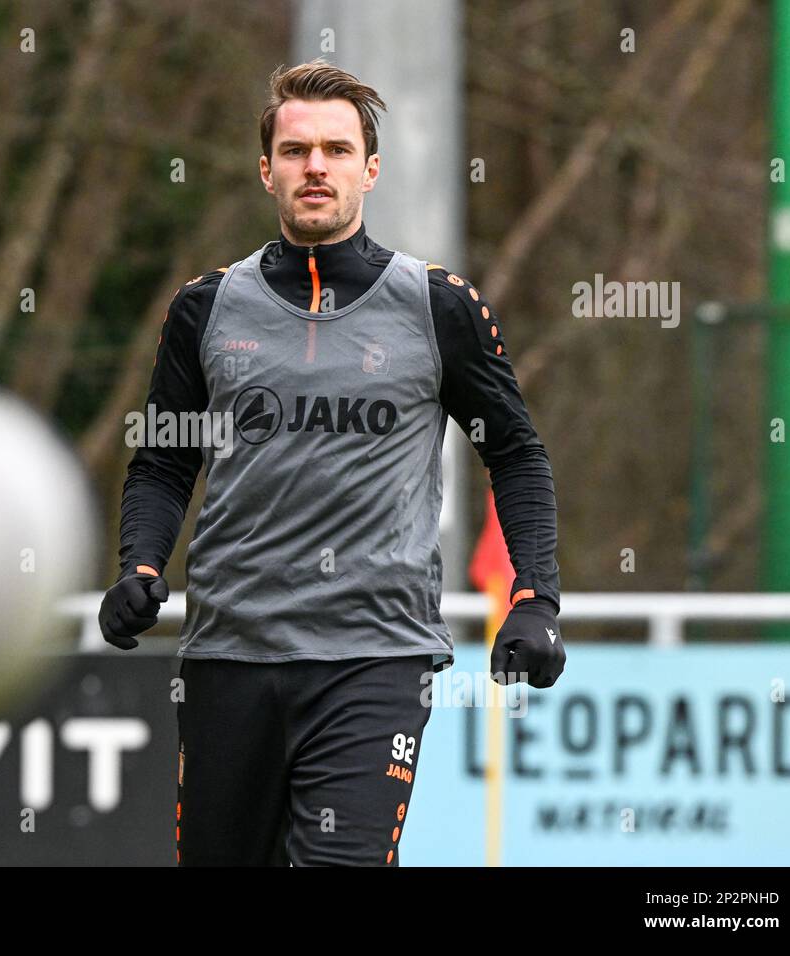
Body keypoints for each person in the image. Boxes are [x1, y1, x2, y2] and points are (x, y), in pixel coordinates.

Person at [99, 61, 565, 866]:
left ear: (370, 169)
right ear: (266, 170)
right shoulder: (204, 307)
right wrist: (140, 562)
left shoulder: (438, 304)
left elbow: (517, 454)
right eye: (297, 150)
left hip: (375, 656)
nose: (316, 166)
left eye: (338, 150)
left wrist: (535, 596)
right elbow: (163, 463)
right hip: (229, 655)